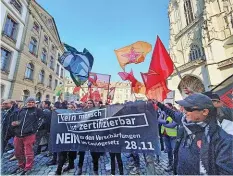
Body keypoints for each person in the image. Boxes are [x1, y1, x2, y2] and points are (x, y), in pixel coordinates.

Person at [154, 93, 233, 175]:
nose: (184, 111)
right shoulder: (184, 122)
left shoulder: (223, 140)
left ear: (205, 112)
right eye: (184, 107)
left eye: (188, 108)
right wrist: (159, 104)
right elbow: (172, 113)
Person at [11, 97, 44, 175]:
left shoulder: (37, 110)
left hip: (29, 135)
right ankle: (21, 166)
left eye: (32, 102)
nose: (31, 103)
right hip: (18, 134)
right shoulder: (22, 110)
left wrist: (34, 129)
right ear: (26, 102)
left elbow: (42, 120)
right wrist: (15, 124)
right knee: (18, 152)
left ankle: (28, 167)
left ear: (35, 103)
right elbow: (18, 120)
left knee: (28, 152)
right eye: (29, 102)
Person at [56, 103, 78, 175]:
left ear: (75, 108)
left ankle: (71, 165)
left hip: (74, 138)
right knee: (62, 154)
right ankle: (58, 170)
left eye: (72, 107)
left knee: (72, 154)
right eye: (69, 107)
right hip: (64, 138)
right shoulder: (62, 115)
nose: (70, 108)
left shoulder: (78, 116)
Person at [158, 103, 177, 172]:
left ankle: (175, 166)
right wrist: (166, 121)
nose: (165, 108)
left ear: (171, 107)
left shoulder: (175, 113)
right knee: (169, 151)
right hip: (165, 135)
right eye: (164, 106)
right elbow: (158, 120)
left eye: (166, 106)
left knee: (174, 151)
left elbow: (173, 125)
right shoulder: (163, 113)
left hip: (173, 136)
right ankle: (170, 164)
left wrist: (164, 124)